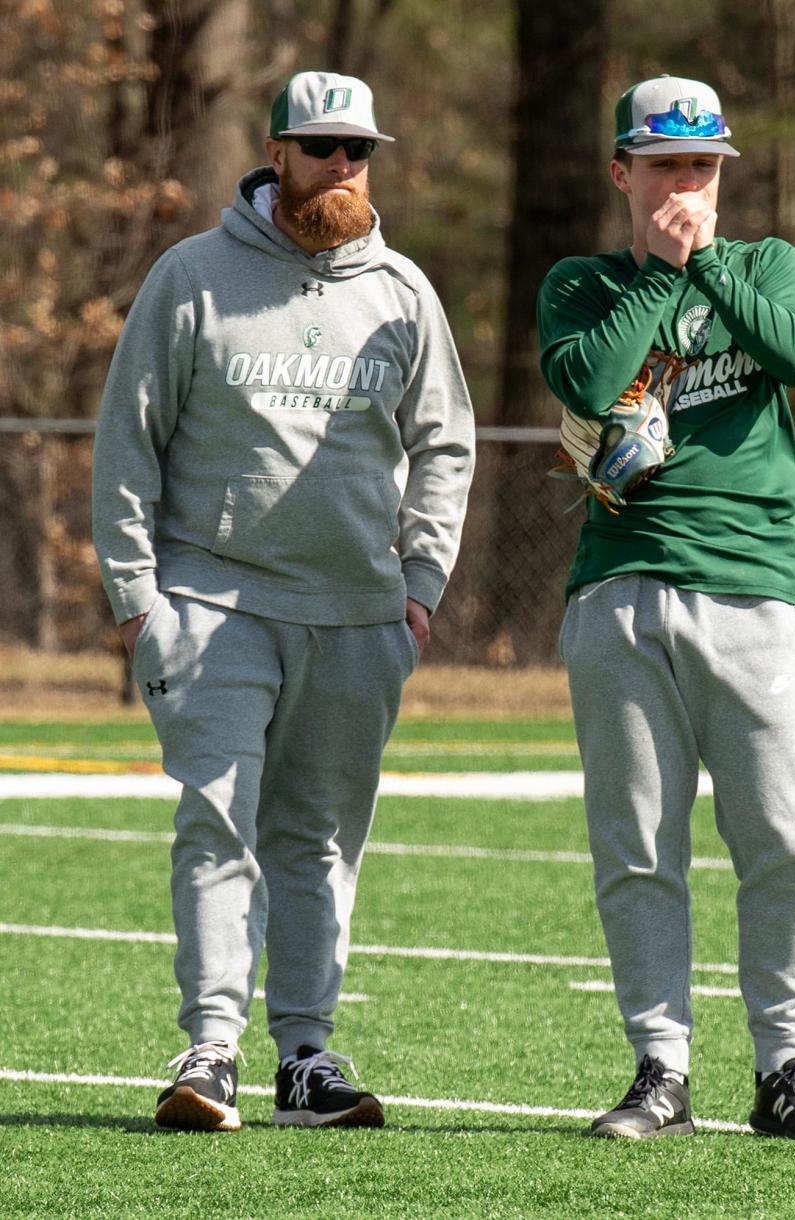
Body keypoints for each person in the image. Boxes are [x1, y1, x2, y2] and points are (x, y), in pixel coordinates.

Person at [92, 70, 474, 1132]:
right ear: (278, 151)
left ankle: (306, 1056)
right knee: (219, 824)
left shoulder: (402, 290)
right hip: (212, 601)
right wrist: (136, 600)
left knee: (315, 838)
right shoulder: (194, 276)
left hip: (359, 617)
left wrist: (420, 586)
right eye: (322, 148)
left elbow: (446, 444)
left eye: (359, 151)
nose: (342, 168)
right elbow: (129, 439)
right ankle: (209, 1047)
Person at [537, 74, 795, 1140]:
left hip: (751, 585)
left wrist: (706, 259)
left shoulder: (766, 265)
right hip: (621, 584)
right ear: (623, 171)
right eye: (667, 165)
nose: (688, 185)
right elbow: (590, 382)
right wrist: (660, 273)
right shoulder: (584, 284)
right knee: (638, 844)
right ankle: (660, 1067)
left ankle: (784, 1063)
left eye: (705, 166)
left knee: (782, 840)